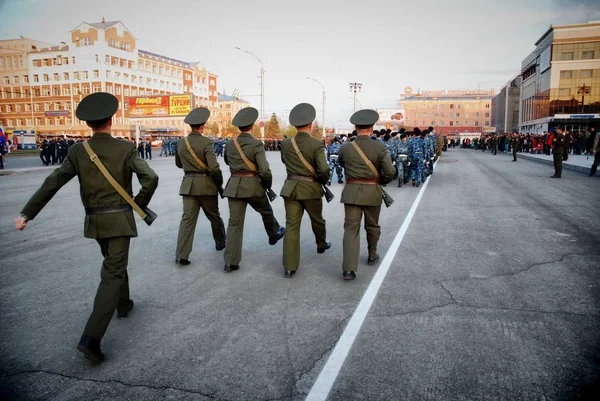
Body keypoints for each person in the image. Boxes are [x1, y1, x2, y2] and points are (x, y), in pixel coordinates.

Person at [14, 92, 159, 362]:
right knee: (113, 272)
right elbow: (150, 177)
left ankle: (124, 304)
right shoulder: (125, 148)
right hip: (120, 219)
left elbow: (53, 182)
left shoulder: (78, 151)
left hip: (95, 221)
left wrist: (27, 213)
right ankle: (90, 338)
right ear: (111, 120)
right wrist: (138, 204)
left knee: (114, 264)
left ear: (88, 124)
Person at [222, 107, 285, 272]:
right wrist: (267, 185)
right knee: (266, 210)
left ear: (238, 127)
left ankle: (230, 261)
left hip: (234, 186)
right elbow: (264, 170)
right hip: (252, 186)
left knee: (234, 223)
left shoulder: (230, 143)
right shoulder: (256, 144)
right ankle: (273, 234)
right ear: (252, 126)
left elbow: (227, 162)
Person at [338, 109, 395, 280]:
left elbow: (342, 164)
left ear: (355, 127)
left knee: (350, 229)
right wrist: (380, 181)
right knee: (372, 226)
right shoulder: (379, 146)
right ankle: (372, 255)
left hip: (351, 193)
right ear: (372, 128)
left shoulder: (346, 147)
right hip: (372, 192)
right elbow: (390, 171)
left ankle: (348, 269)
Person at [280, 103, 331, 278]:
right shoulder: (316, 144)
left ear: (295, 125)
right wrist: (322, 182)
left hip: (291, 188)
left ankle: (289, 266)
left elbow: (284, 161)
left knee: (291, 226)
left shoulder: (286, 143)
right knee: (317, 220)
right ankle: (321, 243)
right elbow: (323, 170)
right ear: (310, 124)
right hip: (311, 189)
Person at [175, 107, 226, 265]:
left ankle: (181, 255)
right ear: (203, 126)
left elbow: (178, 164)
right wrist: (219, 183)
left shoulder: (181, 143)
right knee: (214, 216)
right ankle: (220, 243)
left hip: (188, 186)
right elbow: (214, 167)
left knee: (187, 220)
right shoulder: (206, 142)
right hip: (206, 186)